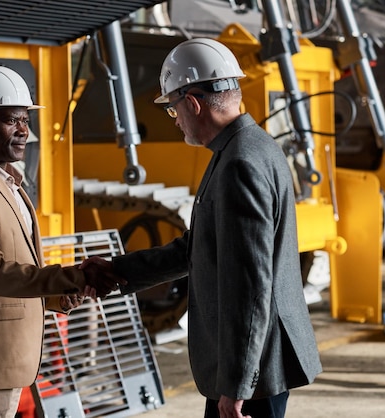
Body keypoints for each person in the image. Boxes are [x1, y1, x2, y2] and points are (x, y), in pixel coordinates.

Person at [81, 38, 322, 418]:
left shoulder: (239, 164)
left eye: (173, 109)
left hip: (250, 371)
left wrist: (237, 384)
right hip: (254, 361)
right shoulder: (249, 147)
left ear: (192, 103)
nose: (175, 119)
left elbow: (251, 285)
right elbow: (198, 247)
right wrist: (117, 271)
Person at [0, 65, 123, 418]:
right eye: (11, 120)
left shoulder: (4, 180)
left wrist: (58, 296)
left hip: (4, 355)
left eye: (26, 121)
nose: (23, 131)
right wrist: (74, 275)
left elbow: (19, 264)